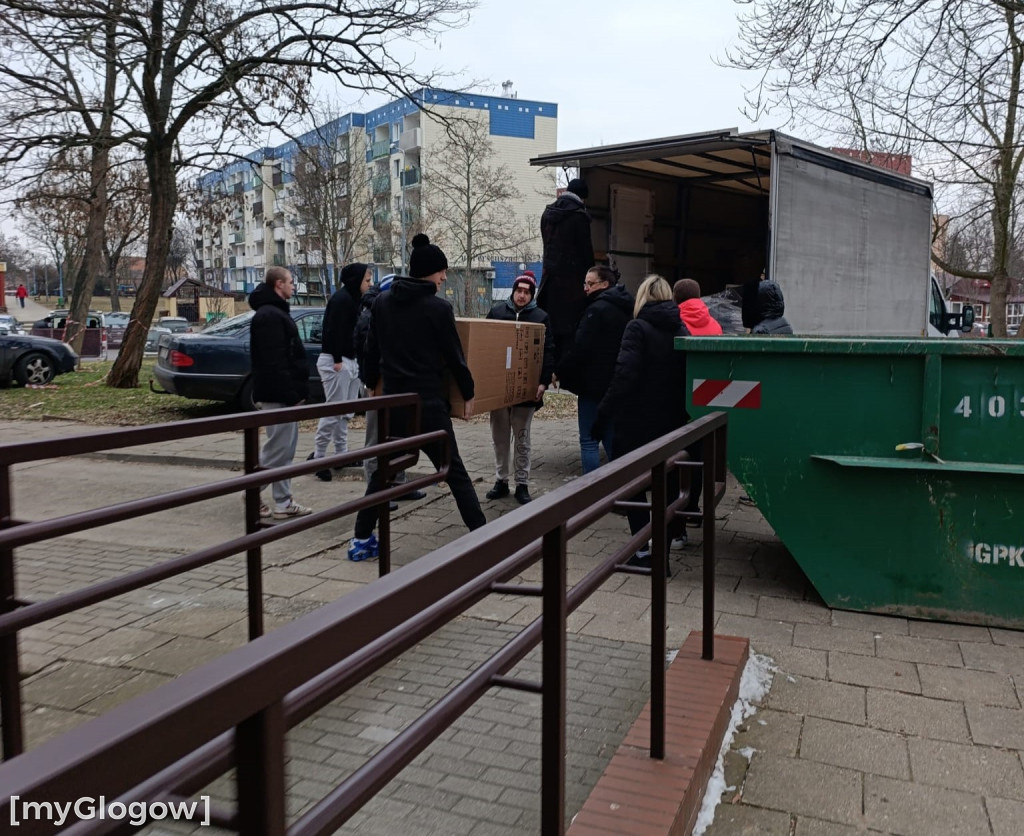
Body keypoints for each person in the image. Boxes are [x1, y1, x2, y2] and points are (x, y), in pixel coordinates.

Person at [350, 234, 486, 561]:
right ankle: (484, 539)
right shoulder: (438, 308)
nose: (443, 278)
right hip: (428, 404)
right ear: (430, 272)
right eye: (442, 272)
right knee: (453, 471)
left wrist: (371, 383)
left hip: (395, 404)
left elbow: (372, 349)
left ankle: (361, 539)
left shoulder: (382, 302)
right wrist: (468, 393)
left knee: (384, 472)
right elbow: (454, 357)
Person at [592, 275, 689, 569]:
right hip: (672, 421)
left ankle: (644, 553)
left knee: (633, 483)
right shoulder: (681, 329)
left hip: (636, 422)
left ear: (643, 297)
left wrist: (602, 416)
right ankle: (670, 537)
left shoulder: (637, 328)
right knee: (669, 482)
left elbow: (624, 375)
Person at [484, 271, 555, 505]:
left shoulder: (540, 317)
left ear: (531, 295)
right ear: (513, 291)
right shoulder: (497, 313)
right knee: (500, 437)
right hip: (498, 389)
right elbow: (485, 347)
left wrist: (543, 382)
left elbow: (548, 351)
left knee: (522, 437)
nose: (522, 295)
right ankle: (501, 480)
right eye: (519, 290)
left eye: (526, 292)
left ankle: (522, 483)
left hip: (526, 389)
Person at [555, 265, 634, 474]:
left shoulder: (596, 310)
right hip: (615, 383)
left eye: (590, 284)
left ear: (604, 284)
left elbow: (580, 347)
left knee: (589, 439)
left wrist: (559, 371)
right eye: (585, 284)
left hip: (592, 385)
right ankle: (622, 484)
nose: (586, 289)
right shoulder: (627, 308)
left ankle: (591, 492)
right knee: (609, 434)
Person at [248, 266, 313, 519]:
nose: (293, 286)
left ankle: (283, 502)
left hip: (282, 393)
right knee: (278, 447)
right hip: (277, 394)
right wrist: (291, 393)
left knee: (284, 448)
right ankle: (253, 490)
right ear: (278, 284)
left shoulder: (274, 313)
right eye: (290, 282)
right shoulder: (269, 317)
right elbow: (274, 361)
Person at [353, 275, 421, 506]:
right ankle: (377, 494)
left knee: (399, 436)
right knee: (376, 439)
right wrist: (371, 382)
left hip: (395, 384)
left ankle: (398, 484)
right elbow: (368, 352)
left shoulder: (395, 314)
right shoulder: (370, 315)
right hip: (377, 386)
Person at [308, 262, 371, 481]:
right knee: (334, 411)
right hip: (337, 362)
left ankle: (341, 454)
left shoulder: (355, 300)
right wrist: (336, 359)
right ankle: (319, 457)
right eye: (367, 280)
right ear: (356, 280)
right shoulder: (342, 300)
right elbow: (331, 330)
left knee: (345, 413)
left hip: (348, 361)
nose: (370, 284)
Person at [537, 178, 594, 366]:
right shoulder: (579, 216)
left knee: (550, 326)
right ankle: (563, 369)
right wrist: (592, 275)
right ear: (581, 197)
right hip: (572, 285)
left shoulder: (548, 213)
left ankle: (549, 366)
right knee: (570, 329)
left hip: (548, 281)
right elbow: (586, 251)